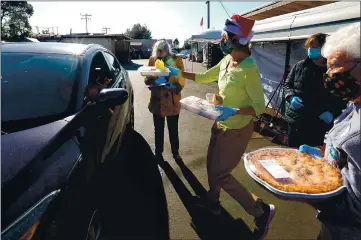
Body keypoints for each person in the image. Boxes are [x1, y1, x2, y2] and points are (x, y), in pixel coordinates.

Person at [168, 15, 275, 240]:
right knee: (210, 165)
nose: (222, 40)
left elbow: (259, 106)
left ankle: (260, 211)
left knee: (221, 174)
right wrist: (178, 73)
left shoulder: (249, 69)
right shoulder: (227, 61)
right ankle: (213, 202)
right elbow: (205, 76)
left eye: (226, 36)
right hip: (220, 121)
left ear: (238, 40)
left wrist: (234, 111)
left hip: (237, 129)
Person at [299, 22, 360, 240]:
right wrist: (324, 153)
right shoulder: (354, 103)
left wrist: (314, 190)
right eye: (328, 67)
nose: (330, 75)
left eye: (337, 67)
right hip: (333, 226)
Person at [283, 33, 347, 148]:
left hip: (317, 124)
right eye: (309, 47)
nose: (310, 50)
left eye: (314, 47)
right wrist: (291, 97)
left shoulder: (334, 70)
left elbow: (343, 96)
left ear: (325, 49)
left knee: (311, 159)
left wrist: (332, 112)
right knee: (292, 155)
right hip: (295, 120)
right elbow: (288, 84)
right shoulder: (299, 66)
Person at [144, 39, 186, 162]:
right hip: (157, 101)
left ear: (168, 52)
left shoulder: (176, 59)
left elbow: (182, 79)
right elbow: (146, 80)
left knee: (173, 129)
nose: (161, 58)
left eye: (164, 55)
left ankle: (175, 153)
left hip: (172, 101)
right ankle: (158, 153)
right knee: (158, 129)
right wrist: (153, 77)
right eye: (159, 56)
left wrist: (172, 80)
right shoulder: (152, 60)